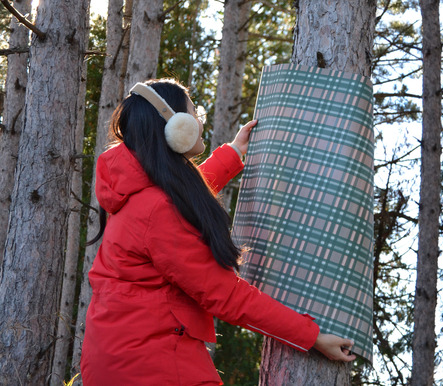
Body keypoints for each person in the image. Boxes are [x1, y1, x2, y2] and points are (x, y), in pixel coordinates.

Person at [80, 78, 355, 385]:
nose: (198, 122)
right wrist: (313, 336)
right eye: (193, 114)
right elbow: (226, 295)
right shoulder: (157, 210)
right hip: (151, 364)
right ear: (175, 128)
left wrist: (234, 153)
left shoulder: (140, 194)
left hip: (115, 358)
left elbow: (180, 197)